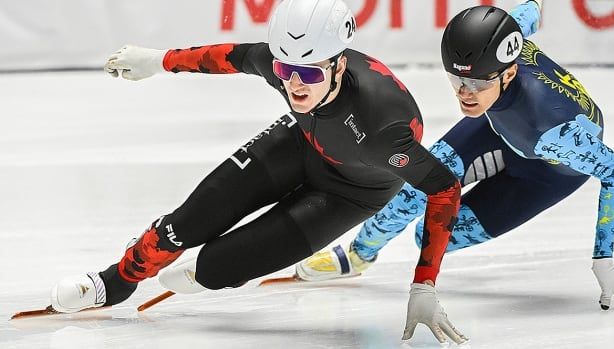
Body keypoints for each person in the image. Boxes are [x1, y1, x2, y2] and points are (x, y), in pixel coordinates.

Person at [49, 0, 468, 345]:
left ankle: (208, 272)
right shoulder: (284, 63)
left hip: (350, 193)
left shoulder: (383, 129)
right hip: (300, 143)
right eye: (285, 72)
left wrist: (424, 285)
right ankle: (115, 280)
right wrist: (159, 61)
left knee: (214, 268)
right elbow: (225, 58)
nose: (294, 86)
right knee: (185, 224)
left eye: (307, 74)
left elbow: (445, 188)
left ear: (340, 66)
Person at [298, 1, 614, 313]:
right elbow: (532, 8)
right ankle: (359, 256)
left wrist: (603, 259)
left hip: (544, 175)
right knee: (413, 191)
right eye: (456, 80)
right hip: (496, 128)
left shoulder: (552, 131)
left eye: (476, 83)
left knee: (428, 235)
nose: (464, 93)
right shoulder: (506, 38)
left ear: (507, 75)